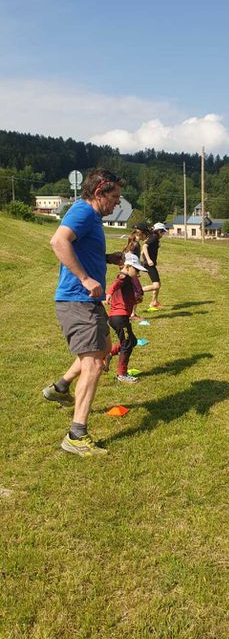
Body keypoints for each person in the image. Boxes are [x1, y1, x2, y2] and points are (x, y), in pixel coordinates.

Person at [42, 168, 125, 456]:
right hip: (77, 300)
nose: (117, 203)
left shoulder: (91, 217)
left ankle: (60, 388)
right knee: (92, 365)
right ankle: (76, 435)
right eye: (114, 197)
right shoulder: (83, 212)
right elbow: (58, 242)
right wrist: (85, 278)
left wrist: (106, 259)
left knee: (101, 352)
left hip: (87, 301)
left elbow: (80, 249)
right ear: (99, 193)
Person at [104, 252, 145, 384]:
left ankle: (109, 354)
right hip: (119, 318)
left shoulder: (128, 278)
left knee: (131, 341)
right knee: (127, 343)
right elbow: (116, 284)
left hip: (119, 317)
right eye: (136, 269)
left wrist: (135, 299)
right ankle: (122, 374)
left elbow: (124, 296)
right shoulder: (125, 276)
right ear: (127, 266)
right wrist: (109, 293)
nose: (138, 273)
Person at [122, 222, 150, 320]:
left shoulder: (134, 242)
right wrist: (131, 270)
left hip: (131, 271)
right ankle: (131, 314)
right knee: (137, 292)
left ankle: (130, 313)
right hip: (130, 272)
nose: (147, 236)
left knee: (133, 292)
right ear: (141, 233)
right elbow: (129, 256)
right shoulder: (135, 244)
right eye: (146, 233)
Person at [140, 222, 168, 309]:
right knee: (156, 285)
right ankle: (137, 291)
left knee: (158, 283)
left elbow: (143, 249)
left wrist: (141, 258)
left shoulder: (153, 237)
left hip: (148, 263)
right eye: (163, 232)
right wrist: (148, 260)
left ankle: (154, 302)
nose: (163, 234)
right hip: (149, 264)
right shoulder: (154, 238)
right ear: (159, 231)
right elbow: (144, 247)